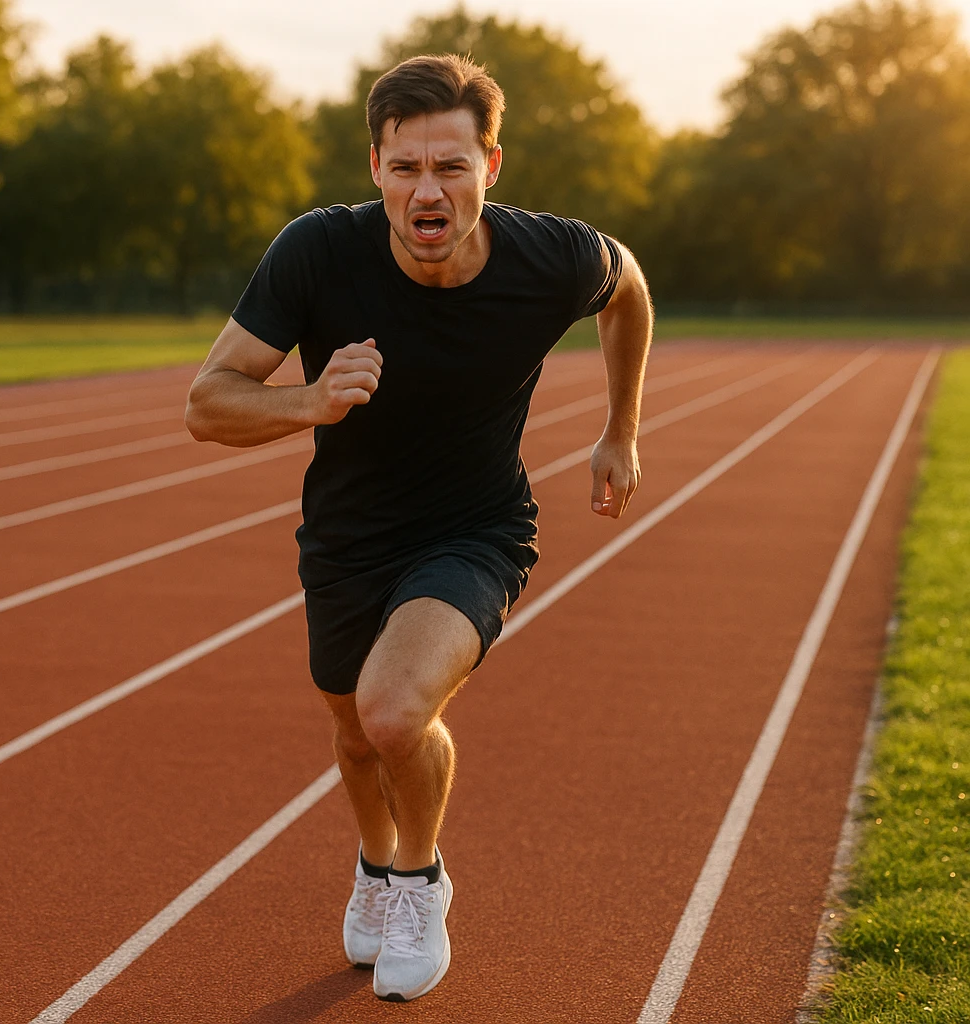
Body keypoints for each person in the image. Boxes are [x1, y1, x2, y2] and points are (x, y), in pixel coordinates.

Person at [185, 54, 653, 1001]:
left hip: (477, 527)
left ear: (492, 166)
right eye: (406, 168)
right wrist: (311, 401)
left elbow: (629, 288)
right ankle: (373, 863)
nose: (427, 189)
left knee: (393, 709)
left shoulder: (550, 256)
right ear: (376, 169)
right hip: (349, 536)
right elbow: (208, 403)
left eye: (450, 166)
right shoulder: (318, 251)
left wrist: (620, 430)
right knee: (354, 737)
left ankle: (419, 878)